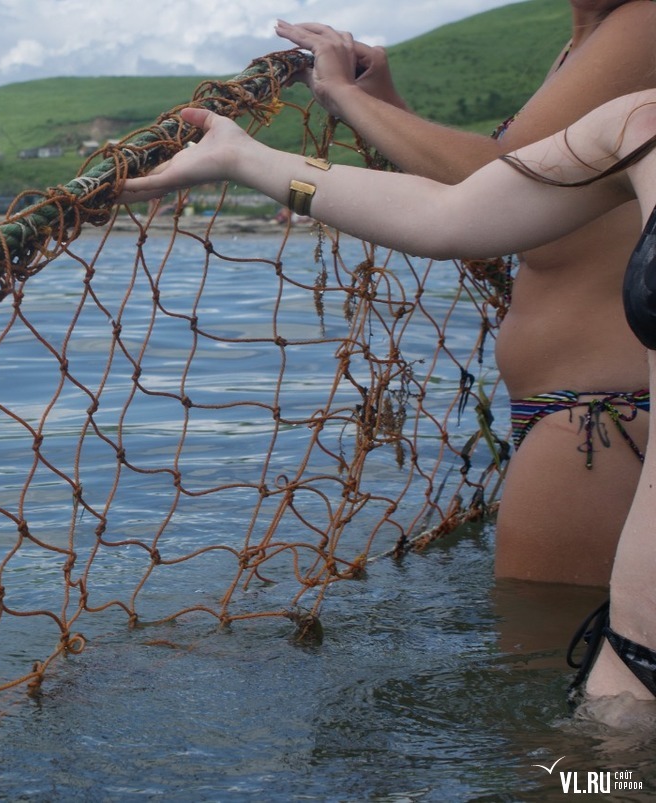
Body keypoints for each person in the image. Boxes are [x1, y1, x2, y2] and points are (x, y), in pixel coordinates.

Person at [118, 90, 656, 706]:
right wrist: (246, 160)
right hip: (635, 664)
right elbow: (447, 215)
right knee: (579, 785)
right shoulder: (638, 128)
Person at [272, 4, 656, 589]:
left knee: (550, 661)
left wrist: (344, 96)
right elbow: (501, 197)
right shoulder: (587, 40)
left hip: (600, 419)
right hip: (583, 416)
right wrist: (383, 100)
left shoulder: (645, 23)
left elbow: (507, 179)